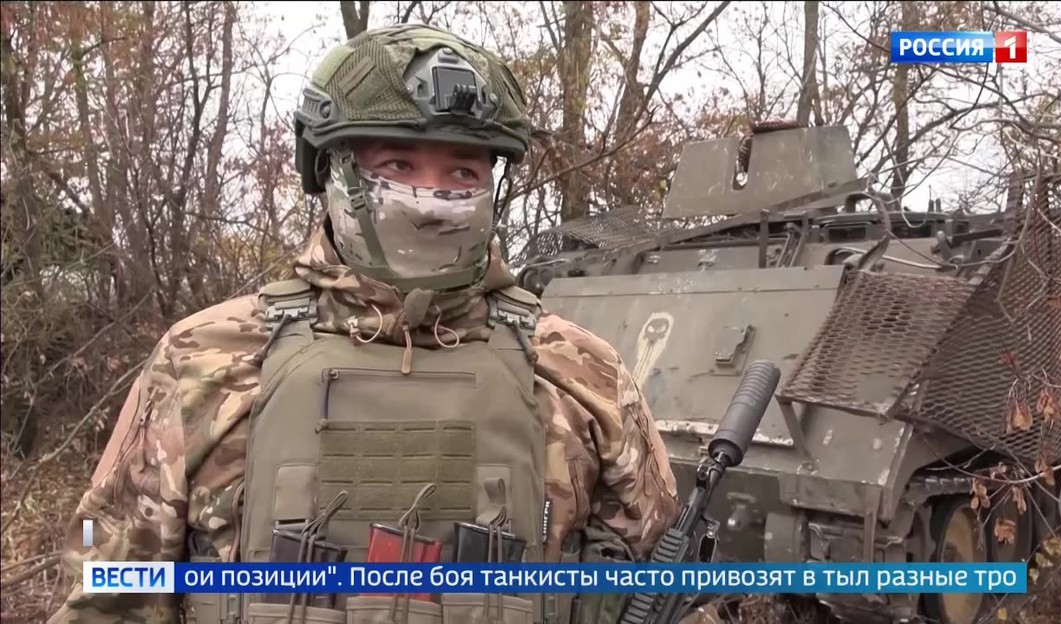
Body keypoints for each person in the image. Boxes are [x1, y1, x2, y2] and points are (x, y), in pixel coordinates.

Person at [48, 22, 680, 624]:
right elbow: (107, 597)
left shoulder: (579, 372)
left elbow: (669, 596)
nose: (432, 200)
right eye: (398, 165)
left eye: (463, 172)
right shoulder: (204, 361)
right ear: (332, 172)